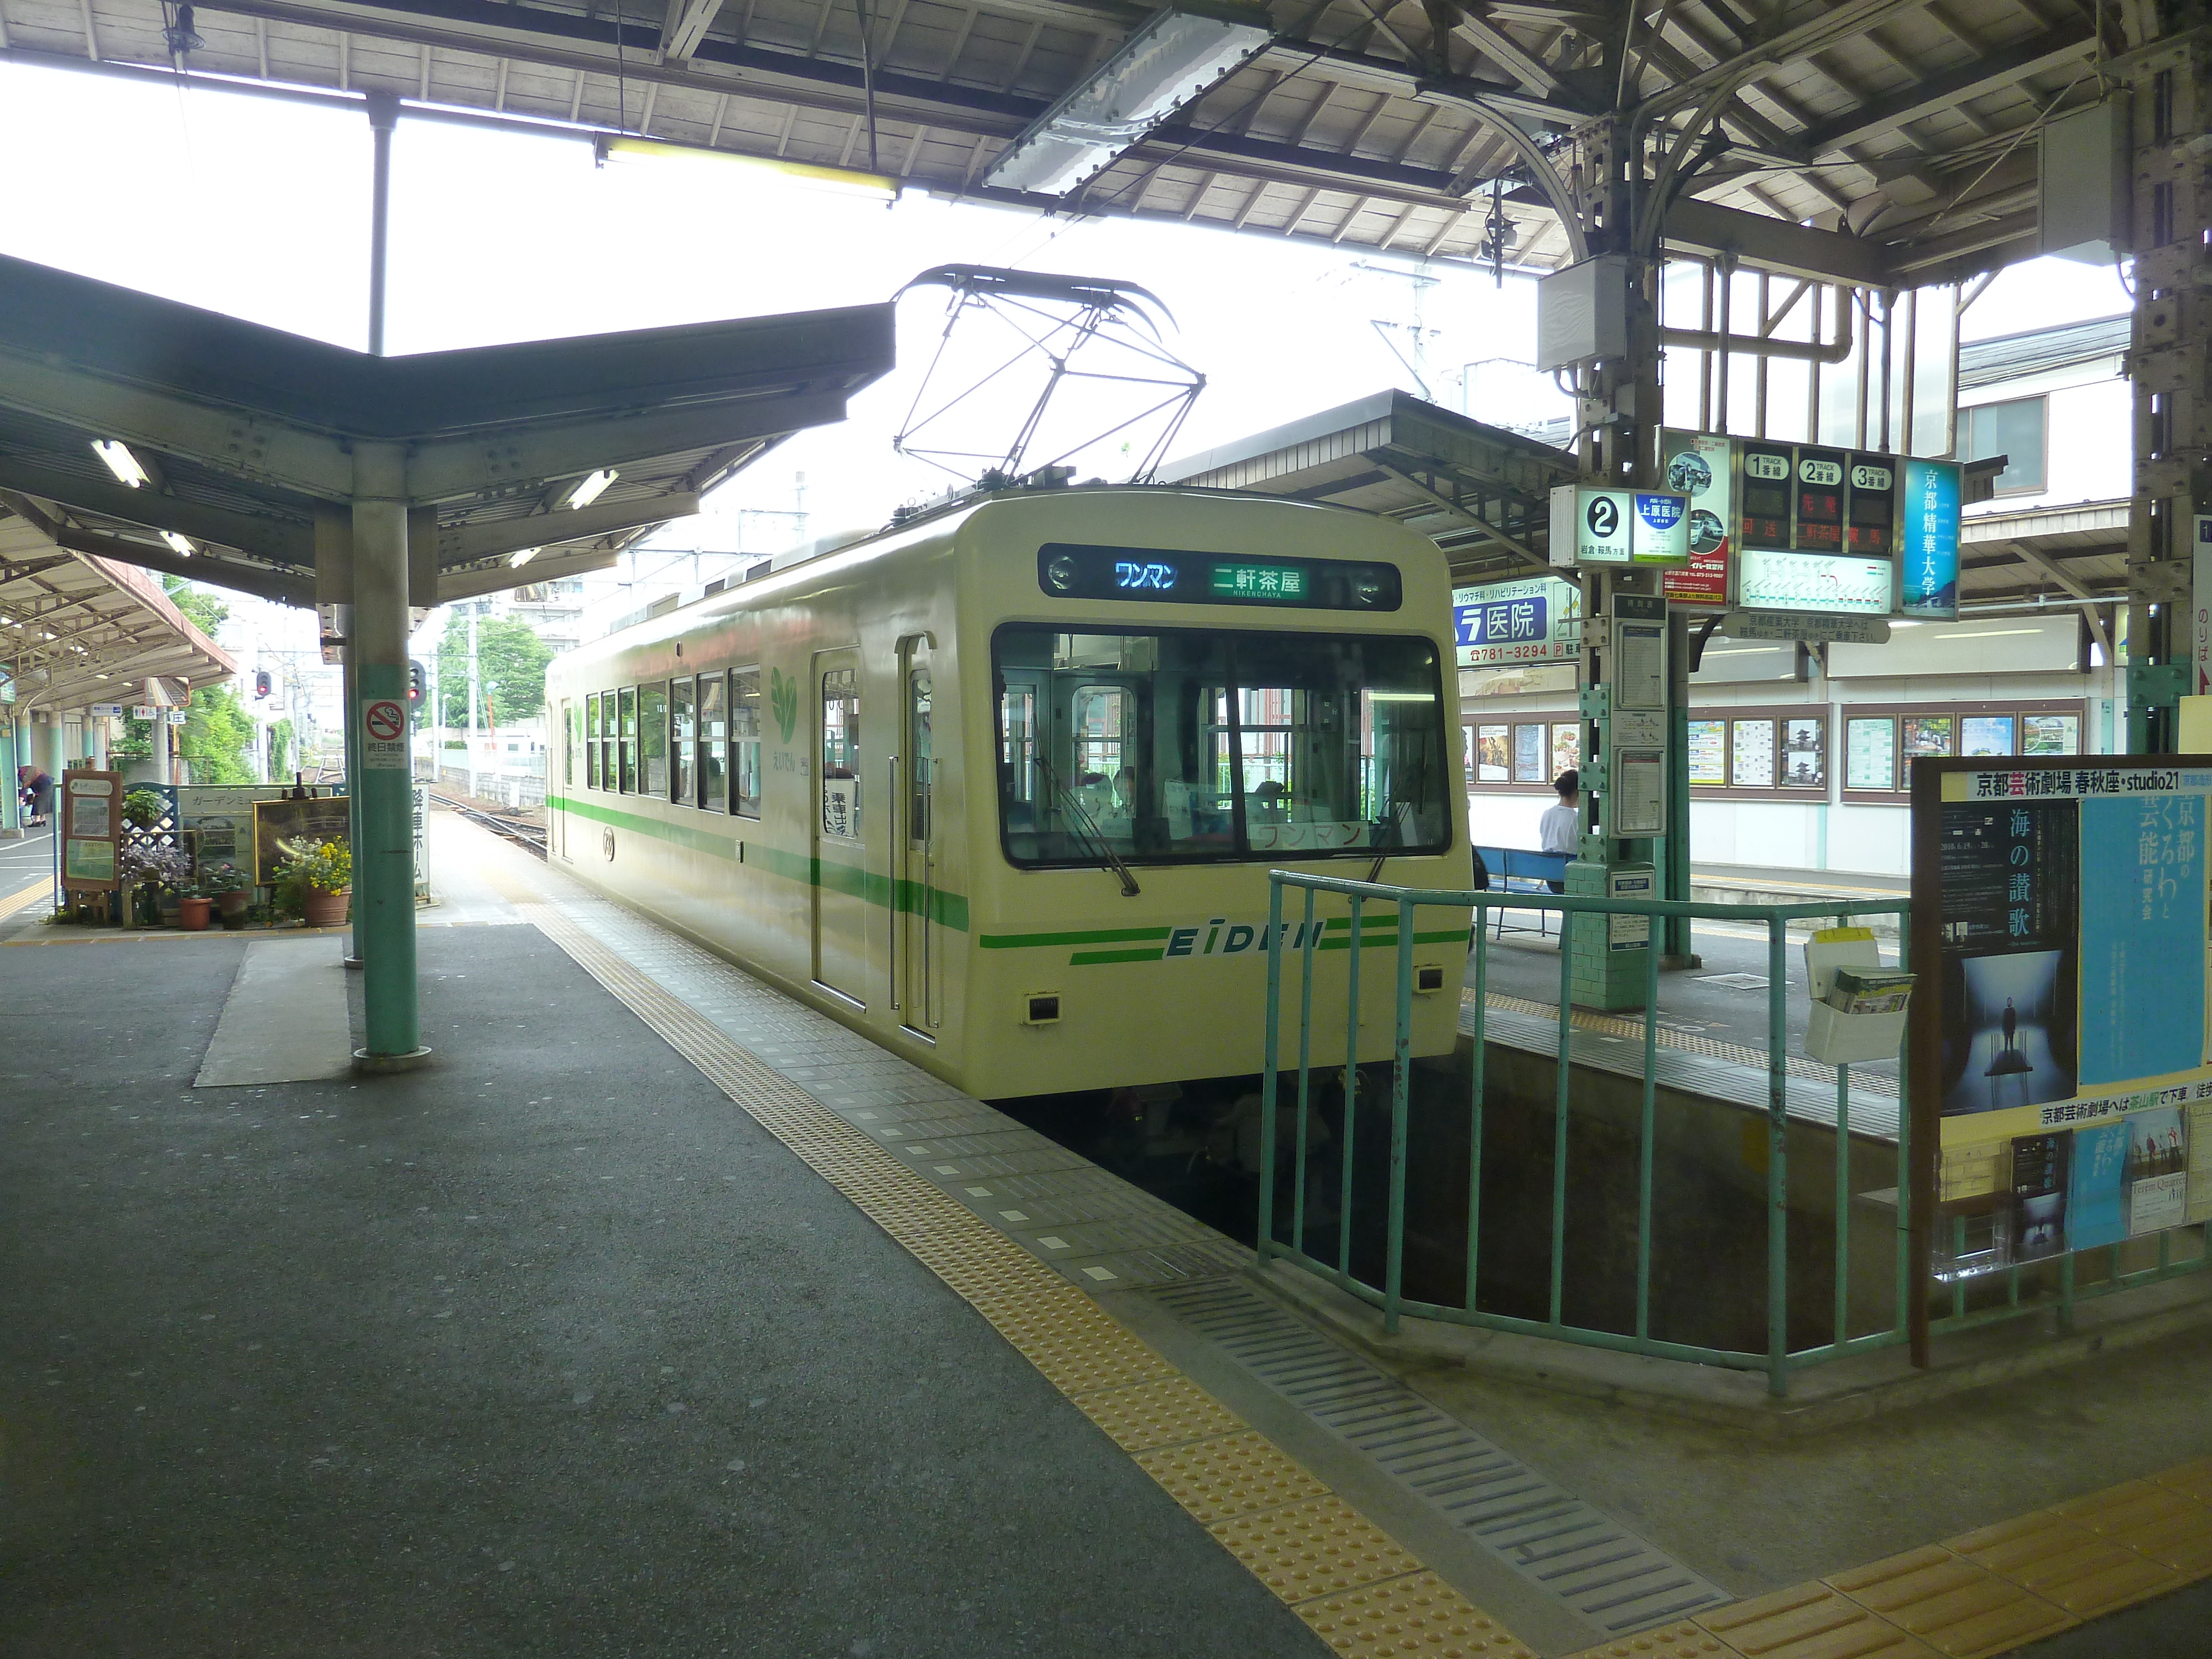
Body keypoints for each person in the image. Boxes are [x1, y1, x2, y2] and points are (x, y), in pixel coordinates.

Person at [1537, 768, 1578, 893]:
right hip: (1569, 876)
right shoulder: (1576, 818)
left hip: (1551, 876)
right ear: (1578, 792)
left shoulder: (1547, 814)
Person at [18, 763, 54, 828]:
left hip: (44, 786)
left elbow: (25, 785)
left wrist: (21, 799)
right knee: (43, 802)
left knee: (38, 802)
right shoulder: (26, 769)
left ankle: (37, 821)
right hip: (47, 784)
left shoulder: (24, 774)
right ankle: (43, 819)